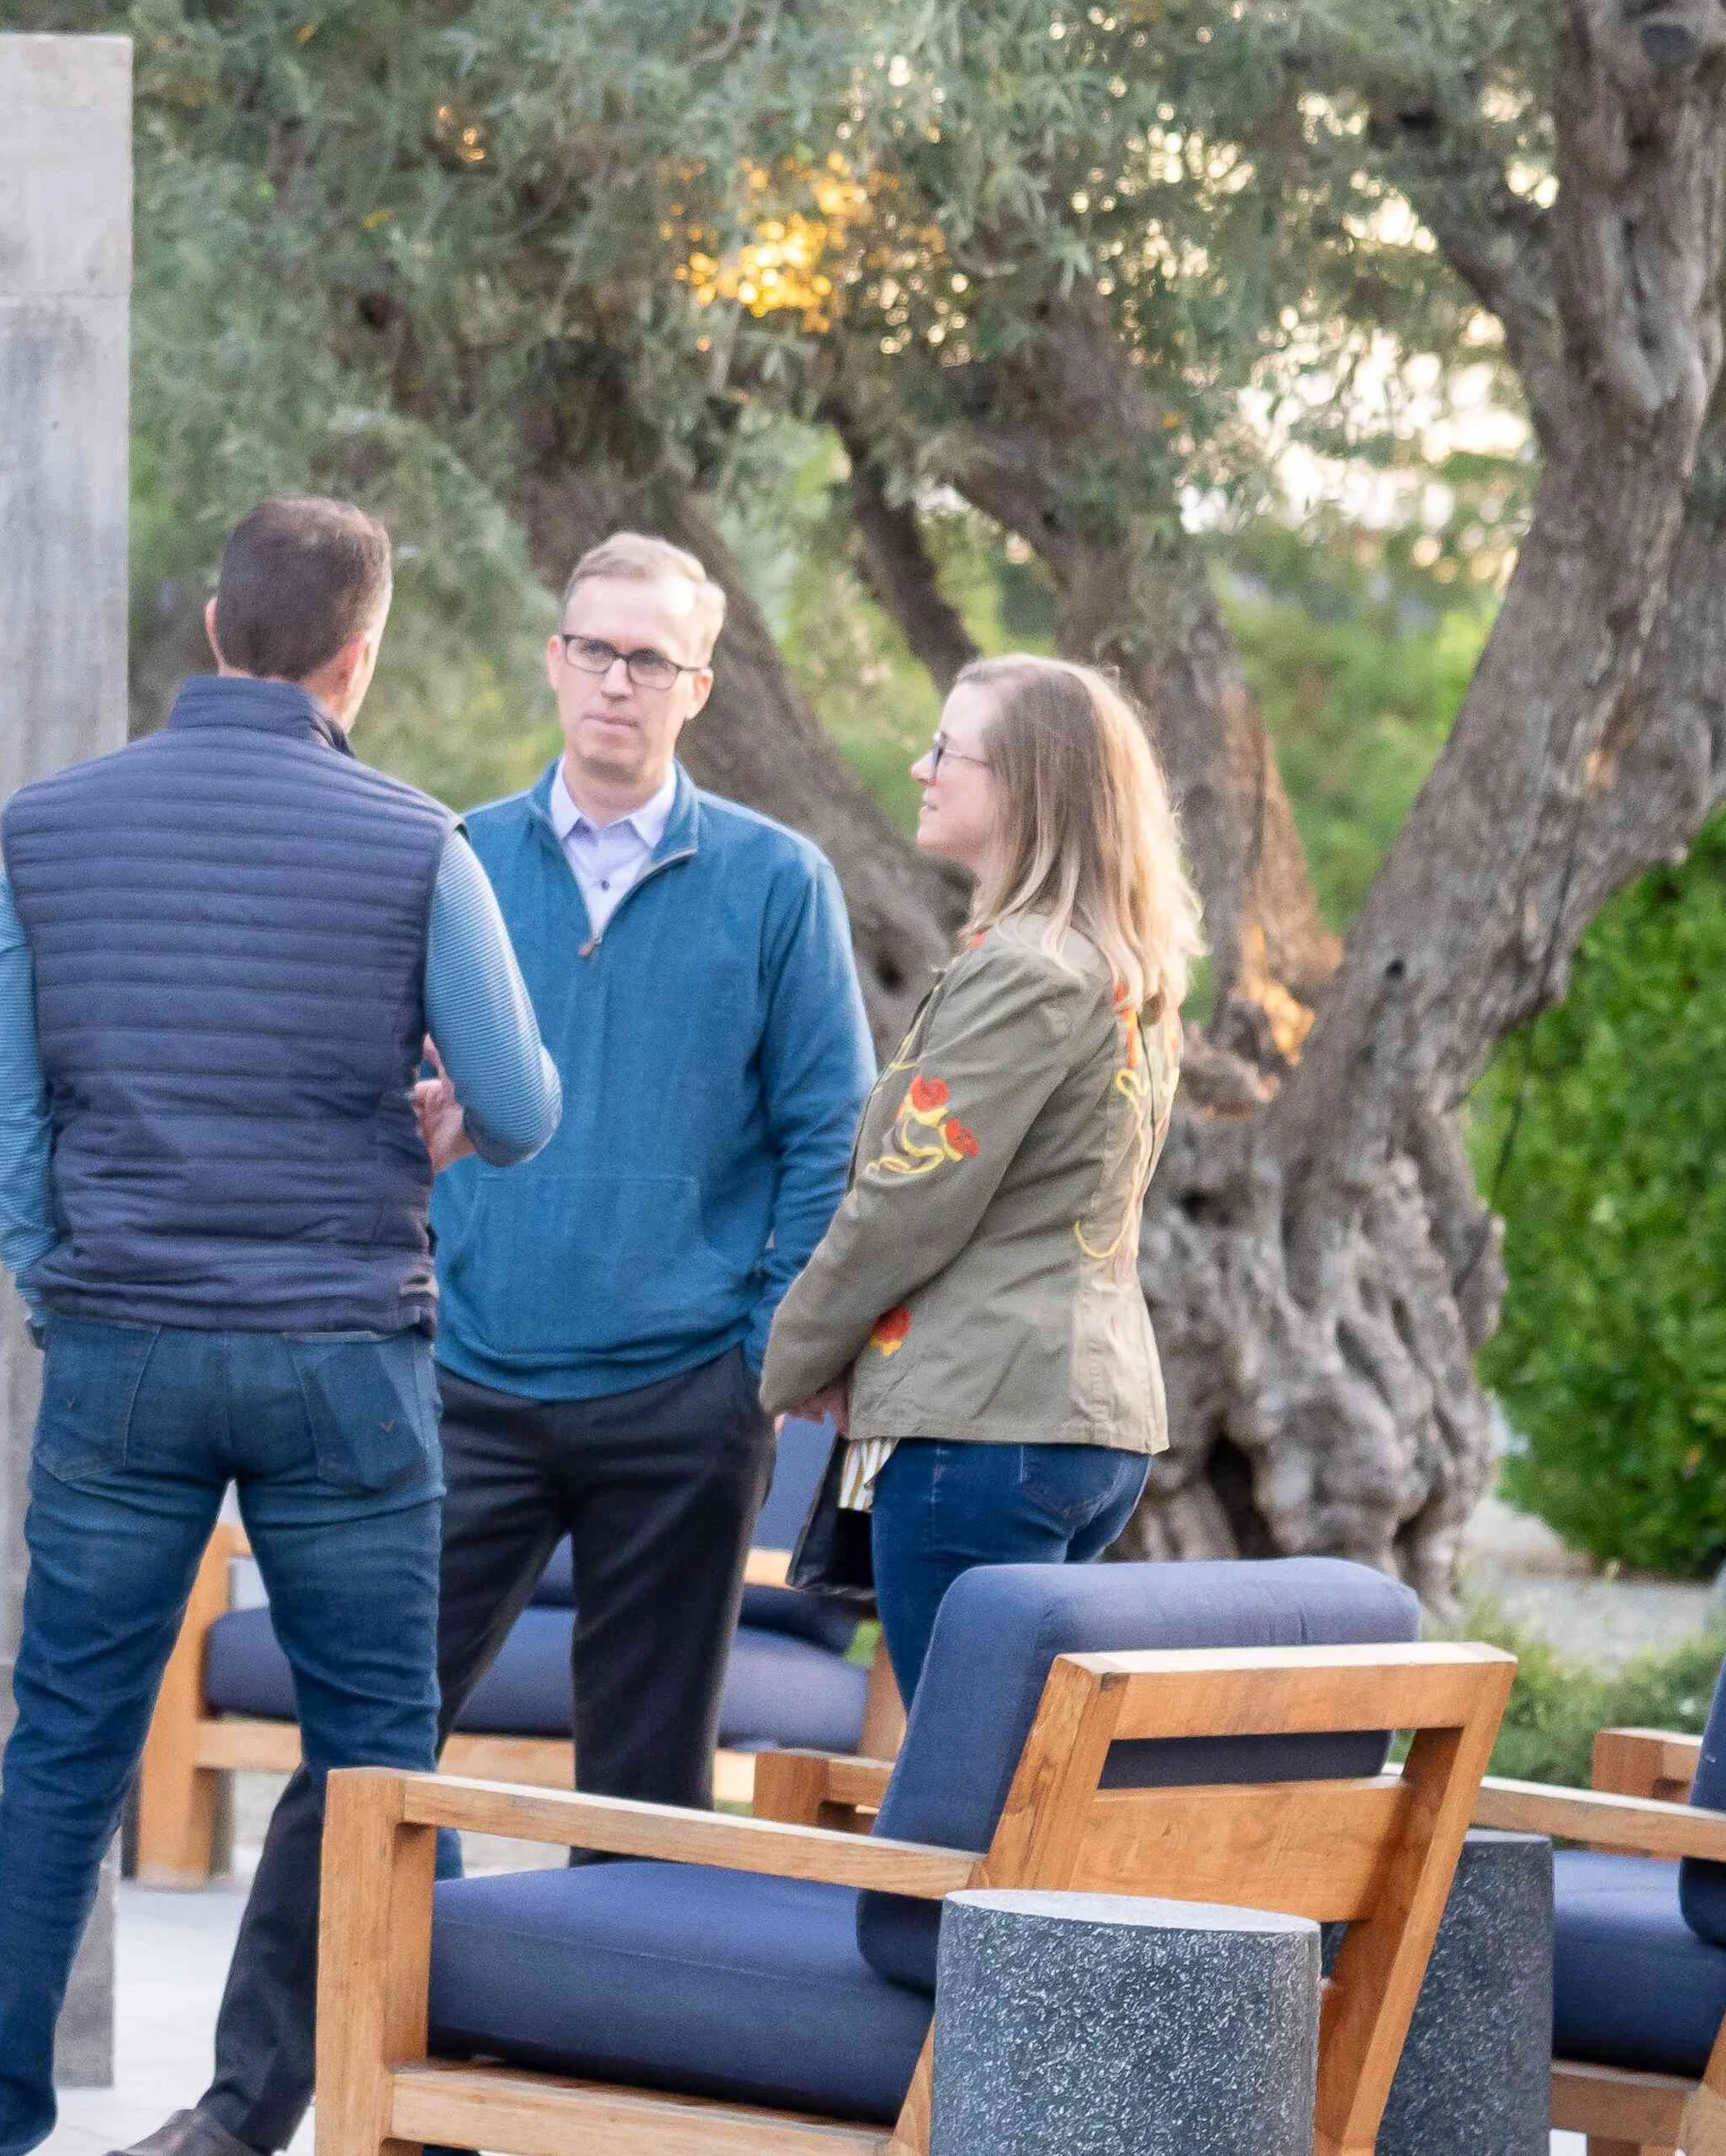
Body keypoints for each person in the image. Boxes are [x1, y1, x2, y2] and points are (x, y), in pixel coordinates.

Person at [148, 532, 873, 2156]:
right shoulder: (444, 854)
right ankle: (240, 2112)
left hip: (683, 1410)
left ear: (699, 685)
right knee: (363, 1758)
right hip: (460, 1389)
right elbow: (352, 1104)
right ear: (552, 660)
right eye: (593, 649)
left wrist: (751, 1355)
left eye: (652, 661)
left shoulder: (775, 884)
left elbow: (829, 1138)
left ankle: (612, 2120)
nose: (617, 682)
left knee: (643, 1798)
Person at [0, 496, 561, 2156]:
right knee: (376, 1774)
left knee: (64, 1759)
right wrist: (454, 1122)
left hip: (122, 1345)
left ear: (214, 630)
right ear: (363, 655)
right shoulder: (418, 836)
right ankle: (399, 2126)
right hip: (344, 1355)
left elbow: (4, 1110)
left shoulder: (49, 829)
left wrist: (63, 1281)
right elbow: (520, 1100)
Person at [760, 652, 1200, 1704]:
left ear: (1027, 784)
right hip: (1080, 1424)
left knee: (962, 1787)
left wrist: (787, 1363)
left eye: (948, 751)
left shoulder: (1025, 969)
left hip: (986, 1426)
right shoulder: (1120, 968)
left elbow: (905, 1206)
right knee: (1003, 1777)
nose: (921, 768)